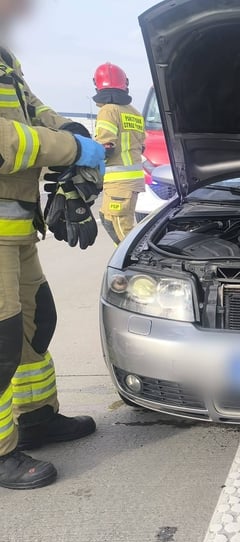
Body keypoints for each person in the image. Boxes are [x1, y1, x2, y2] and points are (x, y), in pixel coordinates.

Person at [0, 0, 106, 490]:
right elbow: (6, 142)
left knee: (36, 324)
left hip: (17, 230)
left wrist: (74, 131)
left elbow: (35, 110)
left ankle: (37, 417)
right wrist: (70, 149)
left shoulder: (4, 58)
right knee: (0, 343)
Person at [93, 63, 146, 244]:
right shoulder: (134, 113)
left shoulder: (108, 111)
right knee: (107, 219)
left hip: (119, 182)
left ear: (97, 85)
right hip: (130, 180)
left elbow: (105, 146)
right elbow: (141, 146)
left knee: (122, 229)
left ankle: (135, 266)